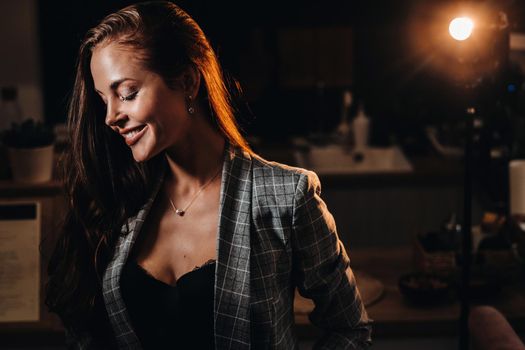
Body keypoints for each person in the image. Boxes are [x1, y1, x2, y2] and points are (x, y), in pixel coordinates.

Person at [45, 1, 372, 349]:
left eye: (127, 93)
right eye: (103, 100)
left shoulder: (286, 196)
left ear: (187, 81)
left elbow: (350, 329)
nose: (111, 116)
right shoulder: (118, 196)